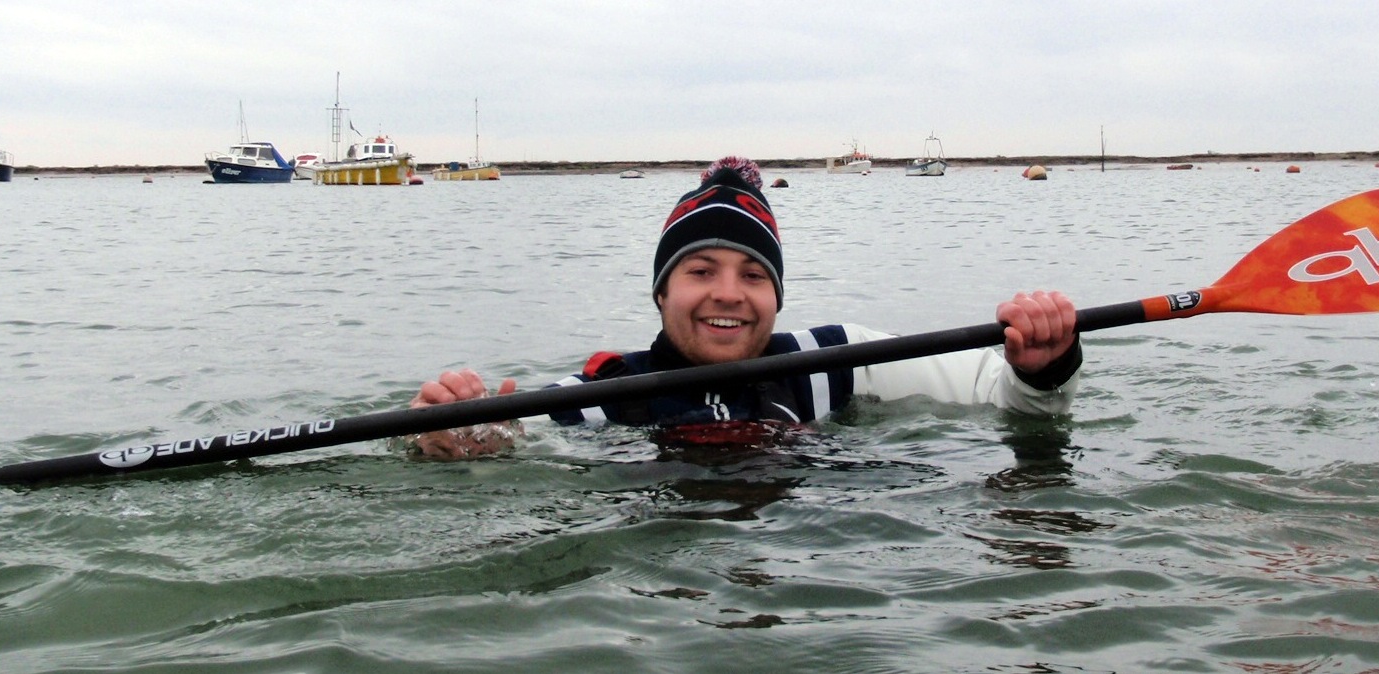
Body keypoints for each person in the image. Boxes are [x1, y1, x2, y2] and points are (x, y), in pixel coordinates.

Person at [408, 156, 1081, 460]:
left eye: (754, 274)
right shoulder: (600, 399)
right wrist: (447, 436)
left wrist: (1042, 366)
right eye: (701, 270)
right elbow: (504, 444)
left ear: (776, 298)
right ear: (662, 292)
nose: (729, 291)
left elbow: (1007, 398)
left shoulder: (834, 361)